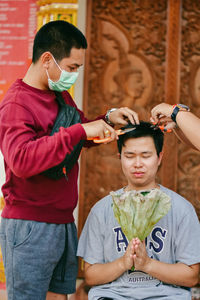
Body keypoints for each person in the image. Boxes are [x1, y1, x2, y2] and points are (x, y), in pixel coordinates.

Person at [0, 20, 139, 300]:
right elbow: (21, 160)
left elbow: (75, 134)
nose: (74, 75)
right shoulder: (16, 104)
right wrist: (80, 130)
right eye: (72, 67)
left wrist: (107, 120)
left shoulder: (60, 95)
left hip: (63, 221)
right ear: (48, 60)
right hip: (30, 226)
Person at [77, 121, 200, 300]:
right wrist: (123, 263)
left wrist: (147, 264)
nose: (137, 164)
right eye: (129, 156)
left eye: (145, 155)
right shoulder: (102, 209)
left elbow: (191, 276)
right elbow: (91, 275)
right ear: (120, 157)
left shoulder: (181, 209)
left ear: (159, 157)